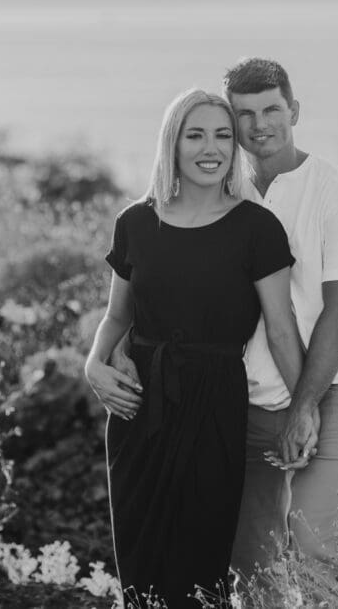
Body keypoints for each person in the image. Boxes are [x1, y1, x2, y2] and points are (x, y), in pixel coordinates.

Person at [84, 88, 304, 608]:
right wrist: (93, 363)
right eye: (196, 134)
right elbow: (119, 315)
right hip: (138, 408)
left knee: (201, 567)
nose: (212, 148)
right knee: (140, 570)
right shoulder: (136, 221)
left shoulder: (257, 228)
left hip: (214, 405)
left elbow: (280, 328)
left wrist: (305, 408)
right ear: (173, 142)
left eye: (223, 135)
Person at [222, 57, 338, 590]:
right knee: (252, 561)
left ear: (294, 110)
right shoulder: (224, 194)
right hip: (251, 393)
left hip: (337, 384)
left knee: (313, 535)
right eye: (244, 114)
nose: (259, 125)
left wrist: (304, 407)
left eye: (271, 109)